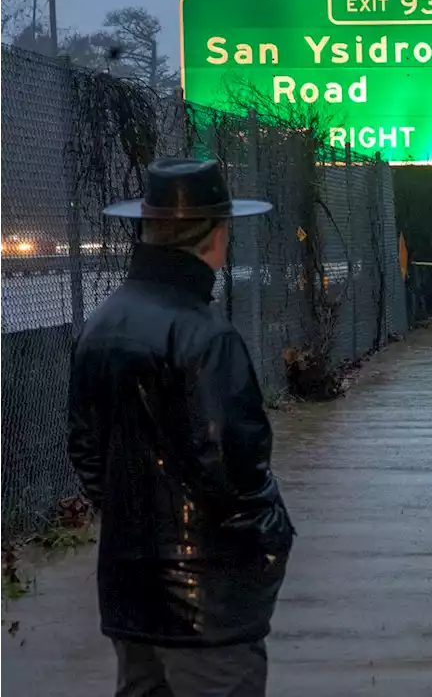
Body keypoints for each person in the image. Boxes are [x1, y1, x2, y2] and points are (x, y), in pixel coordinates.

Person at [67, 158, 295, 697]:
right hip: (208, 607)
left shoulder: (101, 324)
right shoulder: (206, 336)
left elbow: (86, 452)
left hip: (129, 592)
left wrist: (132, 520)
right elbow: (235, 467)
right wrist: (269, 540)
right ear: (217, 235)